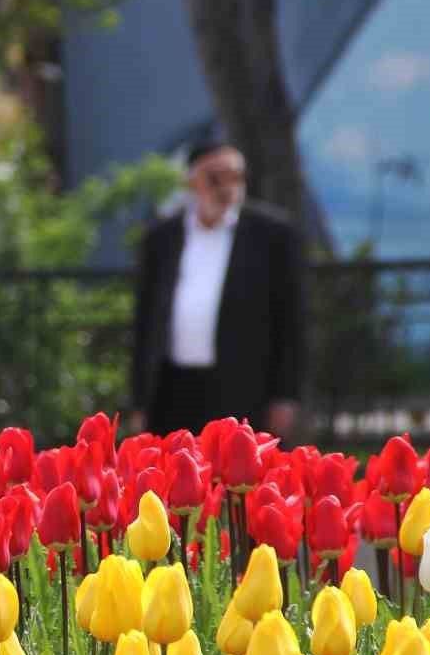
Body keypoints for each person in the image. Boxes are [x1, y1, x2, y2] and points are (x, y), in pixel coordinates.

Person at [130, 140, 306, 442]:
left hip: (242, 386)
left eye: (236, 177)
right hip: (172, 385)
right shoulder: (162, 236)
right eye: (215, 177)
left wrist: (286, 395)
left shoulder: (272, 235)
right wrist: (138, 399)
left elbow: (291, 320)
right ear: (190, 180)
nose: (227, 187)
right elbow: (144, 321)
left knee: (236, 482)